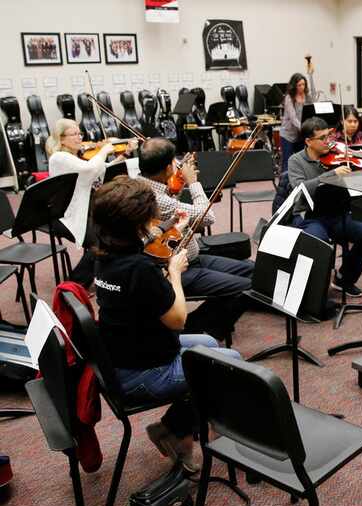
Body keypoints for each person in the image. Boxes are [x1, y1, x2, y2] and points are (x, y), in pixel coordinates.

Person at [92, 176, 242, 472]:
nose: (155, 221)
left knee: (210, 344)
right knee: (231, 363)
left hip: (119, 356)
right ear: (139, 224)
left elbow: (151, 249)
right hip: (144, 371)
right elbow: (177, 319)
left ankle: (180, 425)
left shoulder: (106, 255)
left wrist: (175, 227)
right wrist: (174, 271)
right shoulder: (141, 268)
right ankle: (174, 430)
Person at [137, 138, 254, 339]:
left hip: (192, 256)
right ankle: (196, 328)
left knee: (253, 271)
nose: (177, 164)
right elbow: (207, 217)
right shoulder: (155, 198)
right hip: (176, 268)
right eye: (174, 161)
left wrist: (179, 182)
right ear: (166, 168)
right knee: (245, 289)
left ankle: (214, 323)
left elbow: (173, 206)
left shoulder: (143, 182)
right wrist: (193, 182)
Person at [287, 117, 362, 297]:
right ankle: (314, 291)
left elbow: (358, 180)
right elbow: (300, 189)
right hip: (310, 215)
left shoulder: (337, 157)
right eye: (322, 138)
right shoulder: (295, 161)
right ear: (308, 141)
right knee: (319, 242)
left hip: (337, 212)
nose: (328, 142)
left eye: (329, 136)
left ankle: (344, 278)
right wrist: (330, 175)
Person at [46, 118, 136, 284]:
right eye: (74, 134)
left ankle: (107, 276)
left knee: (116, 232)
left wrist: (124, 154)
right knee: (100, 243)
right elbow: (90, 168)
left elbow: (100, 171)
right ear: (61, 138)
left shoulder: (75, 156)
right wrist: (104, 151)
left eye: (80, 133)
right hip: (66, 216)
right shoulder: (58, 158)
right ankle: (73, 285)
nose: (80, 137)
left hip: (87, 209)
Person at [279, 72, 311, 173]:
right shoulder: (289, 97)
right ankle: (284, 186)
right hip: (288, 135)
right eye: (299, 85)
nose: (302, 87)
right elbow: (293, 118)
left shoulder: (307, 97)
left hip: (300, 135)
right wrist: (305, 129)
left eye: (303, 84)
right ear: (294, 86)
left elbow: (310, 112)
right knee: (287, 162)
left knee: (301, 162)